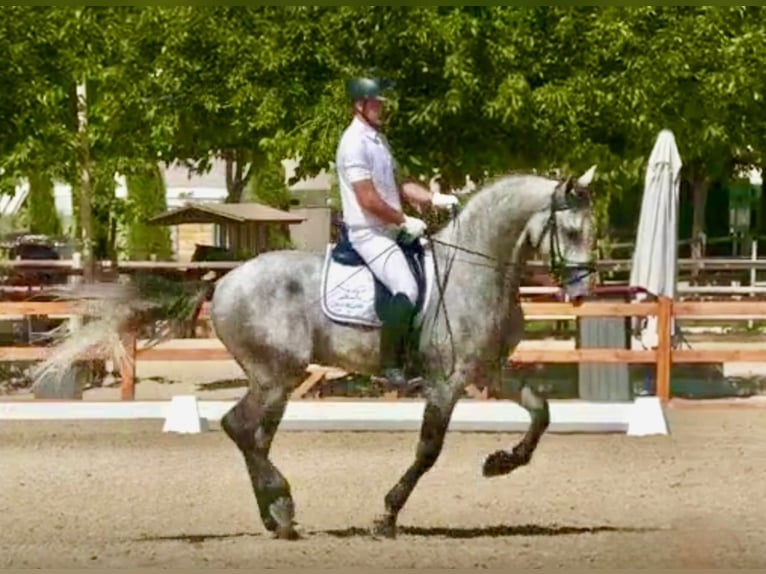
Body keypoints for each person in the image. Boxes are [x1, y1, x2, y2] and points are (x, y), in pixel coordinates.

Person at [335, 76, 459, 389]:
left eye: (382, 103)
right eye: (376, 103)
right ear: (359, 105)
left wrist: (433, 198)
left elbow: (400, 184)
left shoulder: (379, 140)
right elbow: (367, 199)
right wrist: (403, 220)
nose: (382, 108)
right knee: (407, 289)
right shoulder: (353, 143)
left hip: (390, 229)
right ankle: (387, 365)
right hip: (369, 234)